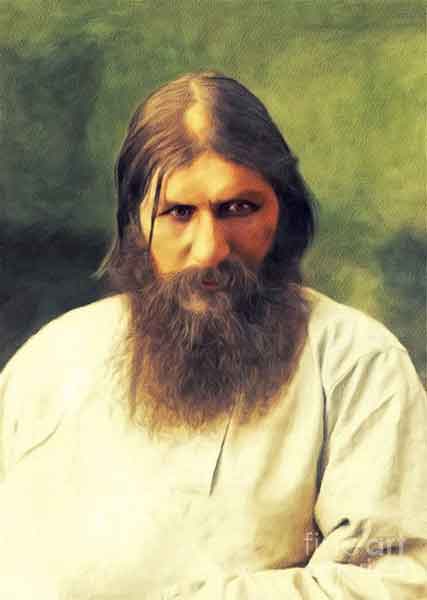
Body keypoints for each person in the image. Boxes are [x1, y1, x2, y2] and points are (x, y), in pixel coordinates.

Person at [0, 71, 426, 599]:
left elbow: (394, 581)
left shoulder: (356, 366)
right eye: (179, 213)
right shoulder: (52, 360)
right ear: (137, 225)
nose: (209, 250)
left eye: (238, 209)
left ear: (282, 213)